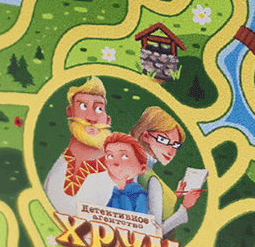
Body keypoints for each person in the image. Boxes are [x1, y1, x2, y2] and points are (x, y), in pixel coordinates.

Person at [130, 106, 205, 235]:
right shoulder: (145, 175)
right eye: (163, 140)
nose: (171, 151)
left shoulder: (145, 169)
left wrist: (174, 196)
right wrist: (184, 207)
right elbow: (154, 233)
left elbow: (150, 201)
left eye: (175, 145)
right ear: (146, 136)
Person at [43, 77, 113, 213]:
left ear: (107, 120)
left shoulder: (115, 166)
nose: (91, 118)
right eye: (83, 106)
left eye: (99, 108)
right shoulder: (62, 159)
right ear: (70, 111)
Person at [102, 133, 151, 213]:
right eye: (110, 156)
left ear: (142, 169)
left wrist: (122, 191)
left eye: (125, 156)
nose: (115, 162)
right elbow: (106, 211)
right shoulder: (115, 191)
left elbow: (139, 216)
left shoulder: (139, 193)